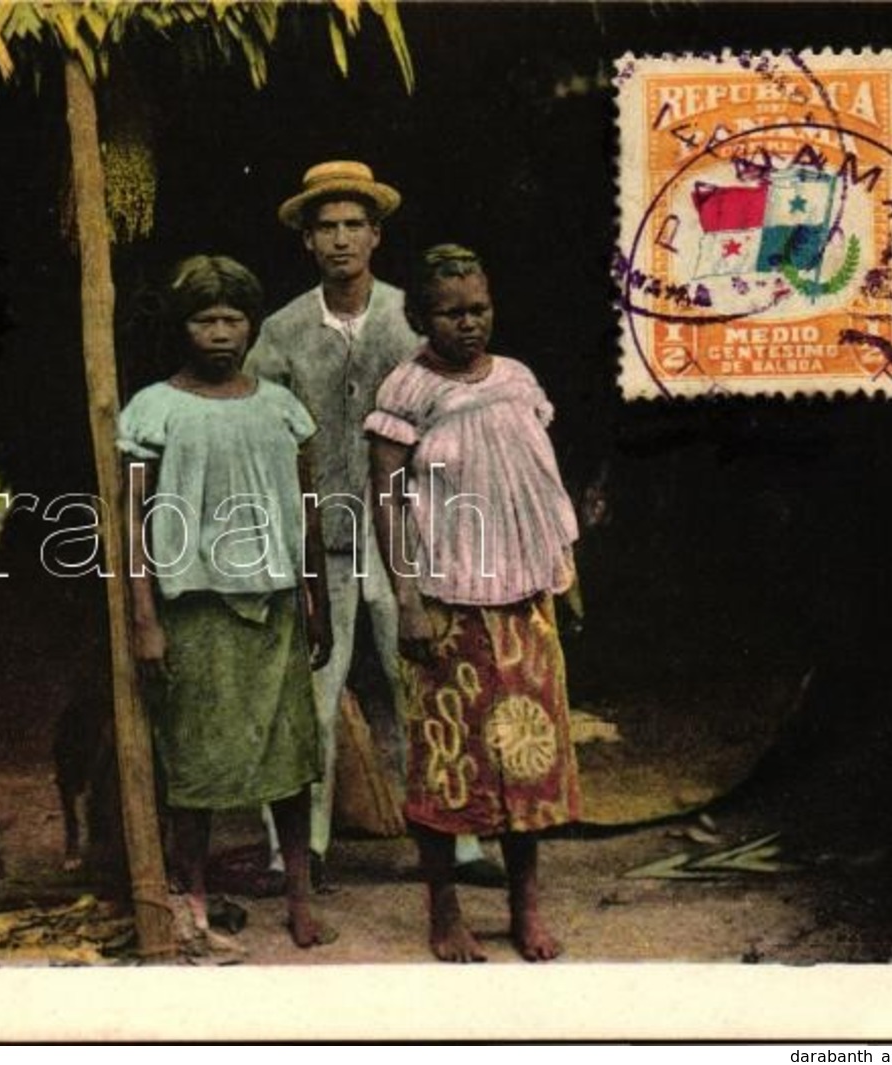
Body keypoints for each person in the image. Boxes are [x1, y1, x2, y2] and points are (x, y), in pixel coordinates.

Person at [246, 160, 501, 891]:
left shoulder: (411, 316)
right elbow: (267, 432)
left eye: (353, 224)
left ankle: (457, 843)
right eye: (324, 226)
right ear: (306, 239)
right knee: (311, 698)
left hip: (408, 537)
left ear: (375, 234)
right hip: (320, 537)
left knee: (423, 681)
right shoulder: (282, 329)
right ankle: (295, 850)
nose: (339, 240)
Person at [367, 244, 583, 962]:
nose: (468, 324)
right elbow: (389, 501)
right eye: (450, 312)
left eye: (478, 308)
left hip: (522, 596)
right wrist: (405, 598)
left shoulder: (517, 379)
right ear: (420, 317)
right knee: (449, 759)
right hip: (446, 598)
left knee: (527, 752)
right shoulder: (406, 390)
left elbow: (536, 482)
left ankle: (525, 904)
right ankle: (444, 910)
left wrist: (561, 565)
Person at [119, 255, 335, 949]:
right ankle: (196, 895)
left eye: (232, 319)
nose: (219, 333)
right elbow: (129, 521)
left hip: (273, 604)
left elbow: (305, 507)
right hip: (196, 607)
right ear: (182, 327)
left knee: (288, 757)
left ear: (250, 325)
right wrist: (145, 618)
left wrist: (315, 596)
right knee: (196, 765)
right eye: (204, 319)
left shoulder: (279, 405)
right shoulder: (153, 408)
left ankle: (300, 893)